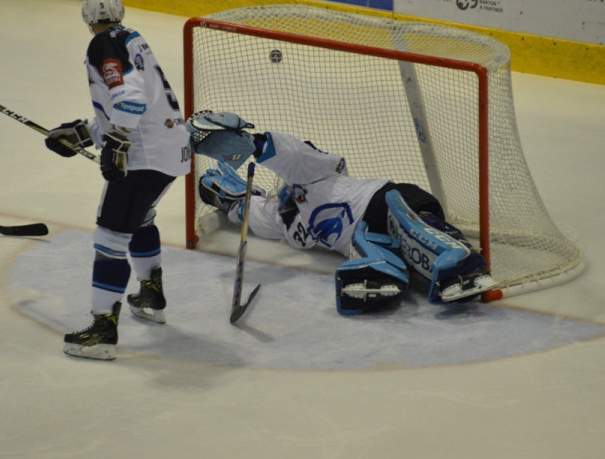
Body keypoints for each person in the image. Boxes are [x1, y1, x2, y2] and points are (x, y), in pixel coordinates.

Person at [187, 111, 497, 315]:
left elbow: (292, 154)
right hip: (362, 234)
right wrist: (228, 199)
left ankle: (457, 257)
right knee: (371, 248)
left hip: (382, 200)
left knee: (408, 225)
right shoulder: (287, 223)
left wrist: (250, 143)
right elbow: (256, 214)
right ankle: (384, 271)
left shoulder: (315, 176)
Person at [44, 0, 191, 359]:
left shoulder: (102, 46)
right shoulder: (131, 38)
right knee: (140, 219)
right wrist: (83, 132)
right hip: (172, 150)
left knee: (110, 235)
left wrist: (116, 144)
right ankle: (151, 295)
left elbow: (130, 100)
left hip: (144, 157)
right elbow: (131, 103)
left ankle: (102, 332)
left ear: (86, 18)